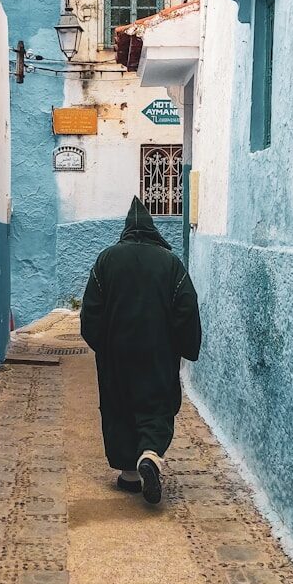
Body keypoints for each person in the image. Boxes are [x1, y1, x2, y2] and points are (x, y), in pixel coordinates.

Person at [80, 197, 202, 504]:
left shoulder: (106, 260)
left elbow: (90, 313)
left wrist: (102, 345)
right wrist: (185, 345)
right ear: (152, 229)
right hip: (158, 353)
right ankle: (149, 455)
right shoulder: (170, 263)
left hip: (117, 353)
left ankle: (129, 476)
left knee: (118, 408)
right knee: (156, 407)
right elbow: (186, 306)